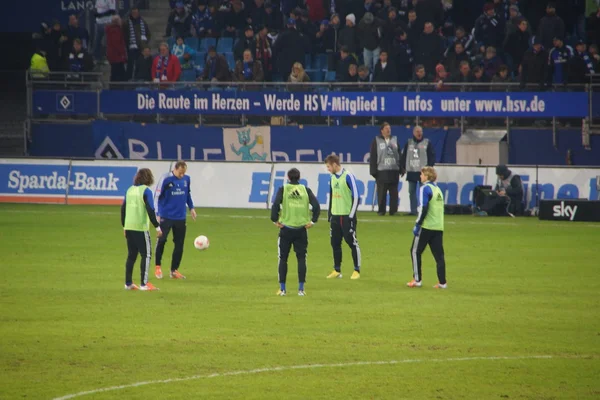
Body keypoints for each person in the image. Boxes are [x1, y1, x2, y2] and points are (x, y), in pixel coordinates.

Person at [270, 168, 321, 296]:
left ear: (288, 177)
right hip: (301, 230)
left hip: (286, 229)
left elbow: (275, 204)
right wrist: (313, 221)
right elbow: (316, 206)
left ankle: (282, 289)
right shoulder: (305, 190)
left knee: (283, 259)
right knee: (301, 258)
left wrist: (275, 220)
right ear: (299, 178)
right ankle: (301, 289)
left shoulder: (283, 189)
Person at [154, 161, 197, 280]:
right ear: (175, 169)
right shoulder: (166, 179)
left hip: (180, 217)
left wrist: (191, 208)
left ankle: (174, 270)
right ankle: (157, 266)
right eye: (180, 173)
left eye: (184, 173)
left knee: (179, 244)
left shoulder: (186, 179)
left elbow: (187, 194)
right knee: (161, 241)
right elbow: (157, 196)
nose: (182, 175)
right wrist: (157, 214)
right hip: (165, 216)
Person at [121, 168, 162, 291]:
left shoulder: (130, 190)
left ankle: (128, 283)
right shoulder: (146, 191)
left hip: (129, 226)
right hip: (140, 227)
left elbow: (123, 209)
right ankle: (144, 284)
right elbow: (150, 209)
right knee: (147, 254)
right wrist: (157, 226)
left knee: (131, 255)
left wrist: (124, 226)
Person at [407, 167, 447, 289]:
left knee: (415, 251)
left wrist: (418, 224)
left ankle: (417, 280)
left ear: (427, 176)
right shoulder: (438, 190)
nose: (420, 176)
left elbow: (423, 208)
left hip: (426, 226)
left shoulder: (425, 188)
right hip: (438, 227)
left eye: (422, 174)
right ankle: (442, 283)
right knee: (439, 256)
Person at [324, 154, 361, 280]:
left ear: (335, 165)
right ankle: (337, 270)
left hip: (346, 216)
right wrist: (329, 214)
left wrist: (351, 216)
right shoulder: (332, 178)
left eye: (329, 166)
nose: (328, 169)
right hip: (335, 216)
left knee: (352, 242)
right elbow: (331, 196)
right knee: (335, 243)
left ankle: (356, 270)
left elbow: (356, 197)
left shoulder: (348, 176)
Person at [399, 126, 436, 215]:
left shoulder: (427, 142)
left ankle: (425, 210)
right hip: (412, 171)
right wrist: (403, 168)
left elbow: (432, 156)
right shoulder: (409, 143)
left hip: (423, 172)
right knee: (411, 192)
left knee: (424, 192)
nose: (419, 133)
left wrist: (429, 168)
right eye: (417, 131)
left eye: (421, 131)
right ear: (413, 133)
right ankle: (413, 210)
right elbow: (404, 156)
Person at [370, 122, 401, 216]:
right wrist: (373, 171)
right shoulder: (377, 140)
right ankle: (381, 210)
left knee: (394, 193)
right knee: (382, 192)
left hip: (394, 170)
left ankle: (393, 211)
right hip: (382, 171)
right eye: (387, 128)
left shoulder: (394, 140)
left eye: (389, 128)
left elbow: (399, 154)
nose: (388, 130)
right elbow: (373, 156)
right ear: (382, 130)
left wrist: (401, 168)